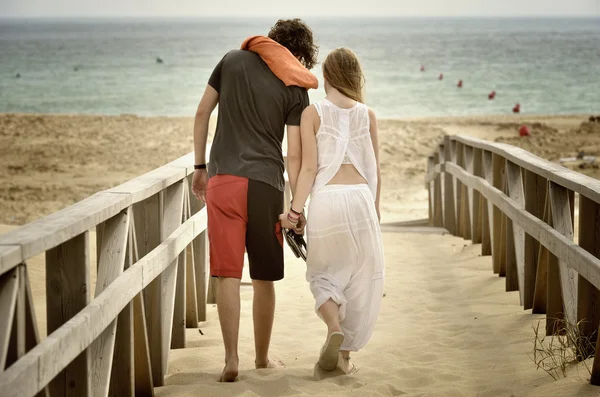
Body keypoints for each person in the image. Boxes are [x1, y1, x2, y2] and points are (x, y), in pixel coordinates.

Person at [191, 19, 318, 382]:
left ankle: (231, 359)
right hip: (265, 185)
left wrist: (200, 165)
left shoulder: (231, 60)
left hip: (223, 180)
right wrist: (297, 207)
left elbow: (202, 113)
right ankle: (260, 359)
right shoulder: (295, 84)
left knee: (226, 272)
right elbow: (294, 154)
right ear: (300, 55)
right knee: (263, 278)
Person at [280, 48, 384, 375]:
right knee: (360, 280)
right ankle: (346, 357)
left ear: (326, 78)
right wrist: (375, 212)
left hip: (327, 200)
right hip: (362, 200)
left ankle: (333, 327)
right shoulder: (368, 114)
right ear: (355, 77)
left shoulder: (312, 113)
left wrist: (296, 211)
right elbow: (374, 169)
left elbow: (308, 168)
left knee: (322, 275)